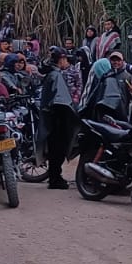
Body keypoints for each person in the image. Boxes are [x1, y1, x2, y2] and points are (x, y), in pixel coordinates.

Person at [39, 48, 81, 190]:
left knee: (54, 148)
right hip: (58, 118)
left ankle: (55, 176)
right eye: (63, 59)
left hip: (51, 116)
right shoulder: (56, 75)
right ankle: (55, 178)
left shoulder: (51, 74)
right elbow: (60, 101)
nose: (65, 61)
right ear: (60, 60)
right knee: (58, 149)